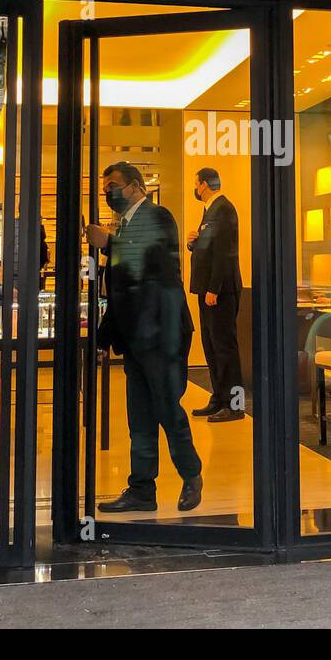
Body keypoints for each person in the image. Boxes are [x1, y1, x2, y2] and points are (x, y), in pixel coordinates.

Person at [84, 161, 203, 513]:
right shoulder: (123, 225)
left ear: (136, 186)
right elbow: (121, 290)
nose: (109, 192)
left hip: (162, 335)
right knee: (139, 416)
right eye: (105, 187)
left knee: (167, 407)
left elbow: (151, 259)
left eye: (114, 185)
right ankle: (141, 489)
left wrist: (110, 243)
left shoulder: (158, 216)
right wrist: (103, 336)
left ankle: (191, 473)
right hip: (135, 337)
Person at [186, 167, 244, 422]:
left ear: (204, 185)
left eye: (196, 184)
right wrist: (192, 242)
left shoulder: (224, 209)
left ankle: (235, 405)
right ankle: (219, 398)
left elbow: (224, 253)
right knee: (211, 346)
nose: (195, 188)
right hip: (208, 289)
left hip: (220, 291)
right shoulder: (210, 211)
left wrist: (214, 288)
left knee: (225, 348)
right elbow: (208, 247)